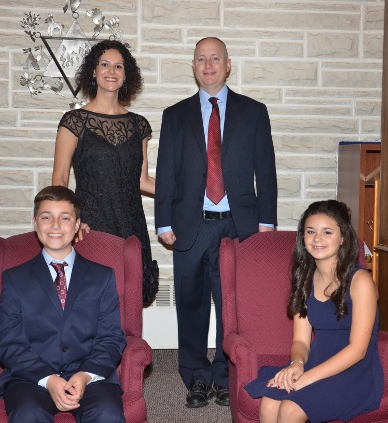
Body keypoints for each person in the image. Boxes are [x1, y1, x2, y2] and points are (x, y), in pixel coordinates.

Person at [154, 36, 278, 408]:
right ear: (194, 67)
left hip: (239, 227)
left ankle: (226, 376)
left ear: (228, 65)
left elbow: (266, 171)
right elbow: (166, 173)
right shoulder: (174, 115)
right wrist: (163, 222)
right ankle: (196, 377)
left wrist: (267, 223)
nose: (208, 65)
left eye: (215, 58)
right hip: (189, 224)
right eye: (201, 59)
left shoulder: (254, 112)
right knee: (190, 304)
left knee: (232, 307)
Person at [0, 185, 126, 423]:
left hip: (89, 376)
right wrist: (49, 380)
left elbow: (111, 338)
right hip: (30, 377)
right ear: (35, 223)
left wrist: (85, 375)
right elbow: (9, 343)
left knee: (107, 414)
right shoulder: (15, 279)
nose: (55, 226)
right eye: (46, 217)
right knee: (27, 415)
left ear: (77, 225)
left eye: (65, 218)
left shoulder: (102, 277)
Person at [244, 200, 383, 422]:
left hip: (354, 371)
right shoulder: (304, 279)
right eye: (311, 232)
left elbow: (358, 350)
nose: (317, 238)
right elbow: (300, 341)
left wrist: (307, 379)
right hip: (316, 360)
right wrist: (297, 364)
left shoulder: (361, 281)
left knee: (290, 408)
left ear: (343, 238)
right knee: (269, 402)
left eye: (327, 232)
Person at [52, 39, 158, 305]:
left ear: (126, 75)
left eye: (119, 66)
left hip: (132, 226)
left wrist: (188, 191)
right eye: (105, 64)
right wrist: (71, 220)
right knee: (92, 304)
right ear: (94, 71)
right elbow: (60, 179)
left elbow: (143, 181)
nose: (112, 71)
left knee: (129, 303)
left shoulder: (138, 125)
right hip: (91, 226)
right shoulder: (74, 122)